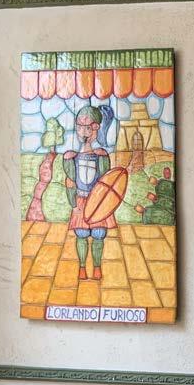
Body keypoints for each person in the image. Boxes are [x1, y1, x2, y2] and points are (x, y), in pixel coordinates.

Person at [63, 105, 115, 280]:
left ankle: (97, 267)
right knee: (82, 234)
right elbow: (70, 182)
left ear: (96, 128)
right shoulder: (71, 157)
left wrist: (105, 204)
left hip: (98, 202)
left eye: (87, 128)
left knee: (99, 234)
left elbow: (106, 182)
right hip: (81, 200)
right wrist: (73, 204)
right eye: (79, 127)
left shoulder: (101, 155)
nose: (83, 132)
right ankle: (82, 267)